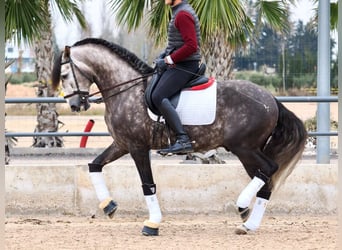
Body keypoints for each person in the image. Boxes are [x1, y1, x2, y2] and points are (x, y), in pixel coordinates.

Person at [152, 0, 201, 155]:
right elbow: (176, 43)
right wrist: (164, 55)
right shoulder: (178, 12)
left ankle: (183, 140)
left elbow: (191, 46)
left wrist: (169, 59)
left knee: (158, 95)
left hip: (186, 66)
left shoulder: (182, 14)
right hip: (180, 64)